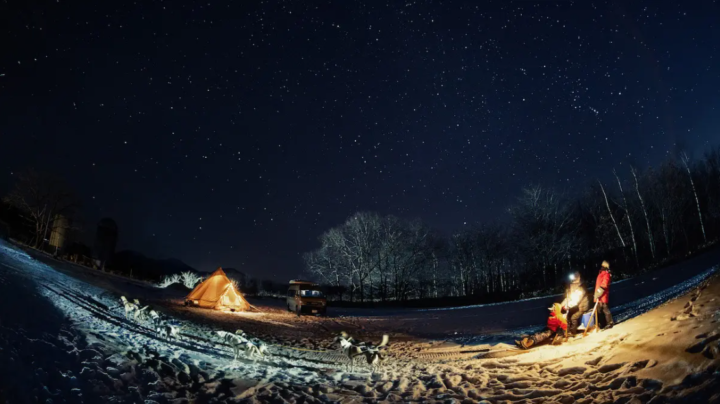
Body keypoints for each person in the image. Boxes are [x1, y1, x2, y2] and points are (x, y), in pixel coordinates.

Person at [561, 271, 590, 336]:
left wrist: (568, 306)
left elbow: (576, 299)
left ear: (578, 278)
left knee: (573, 317)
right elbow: (568, 298)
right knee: (567, 316)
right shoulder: (572, 286)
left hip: (582, 307)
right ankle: (566, 331)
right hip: (577, 307)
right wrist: (561, 305)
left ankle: (573, 332)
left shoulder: (581, 287)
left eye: (574, 278)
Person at [594, 261, 614, 329]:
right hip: (599, 295)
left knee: (605, 309)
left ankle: (609, 322)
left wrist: (598, 293)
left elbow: (604, 285)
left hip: (603, 295)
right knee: (600, 310)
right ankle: (603, 324)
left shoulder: (606, 274)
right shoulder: (601, 273)